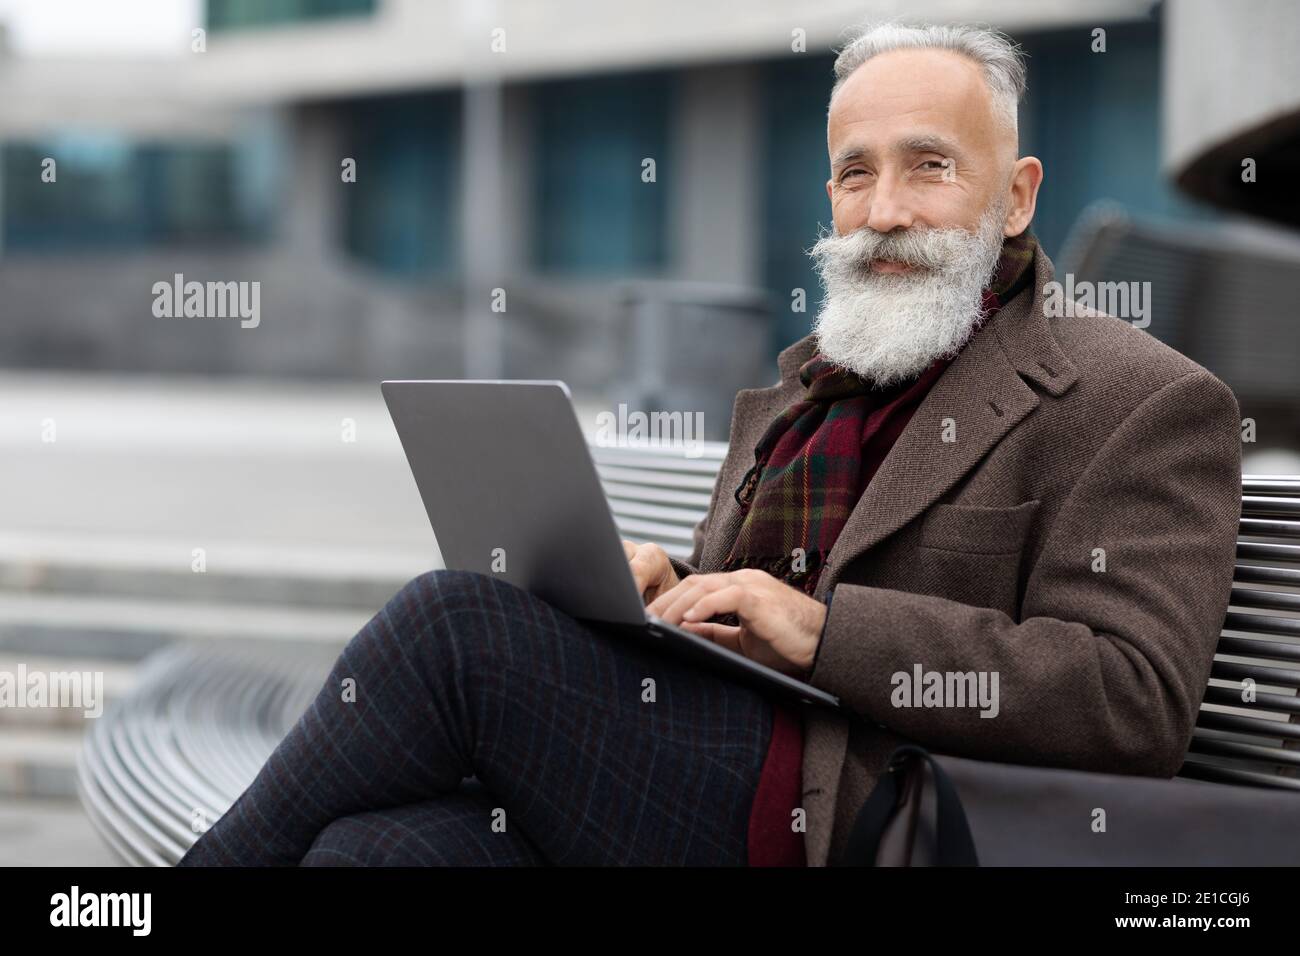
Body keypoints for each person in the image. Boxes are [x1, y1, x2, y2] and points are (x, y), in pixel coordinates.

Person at [178, 20, 1241, 867]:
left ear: (1015, 196)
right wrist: (666, 592)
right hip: (704, 759)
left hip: (858, 811)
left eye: (928, 167)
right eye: (855, 172)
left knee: (454, 624)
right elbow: (758, 615)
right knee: (374, 849)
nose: (883, 210)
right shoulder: (804, 385)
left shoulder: (1138, 400)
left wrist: (823, 632)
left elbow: (1129, 698)